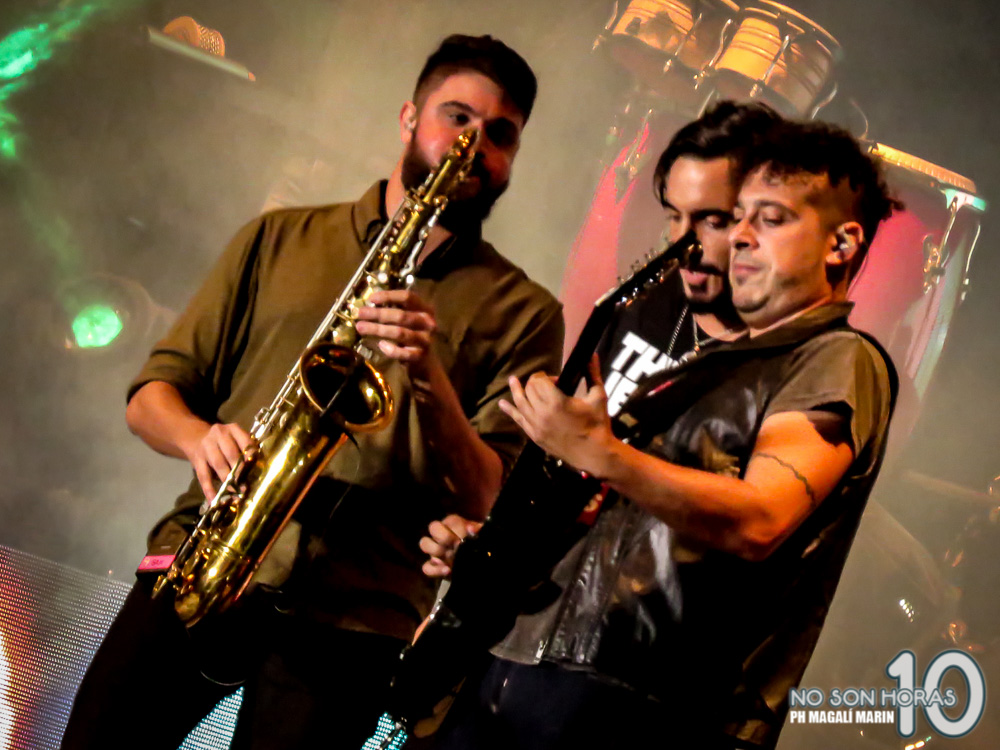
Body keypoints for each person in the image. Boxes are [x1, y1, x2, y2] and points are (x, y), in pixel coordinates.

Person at [60, 34, 564, 750]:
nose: (472, 144)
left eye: (500, 134)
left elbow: (487, 497)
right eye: (457, 117)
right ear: (408, 118)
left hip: (357, 622)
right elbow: (151, 398)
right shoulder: (279, 239)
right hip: (205, 556)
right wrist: (200, 438)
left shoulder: (527, 312)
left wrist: (427, 373)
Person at [422, 118, 898, 750]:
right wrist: (497, 552)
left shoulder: (838, 357)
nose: (741, 237)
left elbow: (760, 519)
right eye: (739, 217)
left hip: (645, 707)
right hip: (524, 666)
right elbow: (619, 528)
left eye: (770, 219)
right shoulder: (708, 362)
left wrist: (602, 453)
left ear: (841, 244)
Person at [421, 101, 781, 577]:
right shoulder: (641, 304)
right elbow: (570, 489)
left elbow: (748, 529)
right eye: (674, 216)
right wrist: (492, 545)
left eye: (712, 221)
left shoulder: (782, 360)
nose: (683, 244)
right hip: (552, 605)